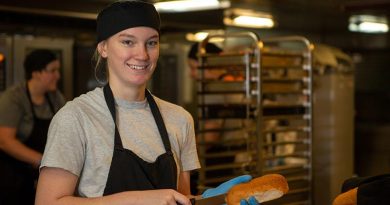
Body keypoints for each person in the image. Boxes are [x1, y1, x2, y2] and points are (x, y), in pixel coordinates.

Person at [35, 1, 259, 205]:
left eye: (151, 43)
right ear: (103, 48)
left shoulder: (180, 119)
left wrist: (214, 201)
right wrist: (137, 200)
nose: (142, 54)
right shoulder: (76, 117)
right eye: (128, 41)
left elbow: (180, 199)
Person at [0, 49, 66, 205]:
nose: (58, 76)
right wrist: (43, 161)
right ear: (36, 73)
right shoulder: (14, 97)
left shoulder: (56, 98)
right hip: (12, 177)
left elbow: (65, 132)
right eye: (53, 70)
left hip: (41, 175)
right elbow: (4, 141)